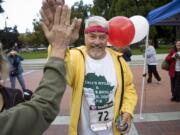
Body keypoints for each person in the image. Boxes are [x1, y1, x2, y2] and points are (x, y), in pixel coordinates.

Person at [41, 3, 137, 135]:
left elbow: (128, 89)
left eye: (102, 37)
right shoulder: (75, 57)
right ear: (84, 36)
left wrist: (127, 112)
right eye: (92, 36)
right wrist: (59, 44)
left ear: (107, 38)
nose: (97, 42)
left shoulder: (120, 62)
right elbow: (59, 70)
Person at [0, 4, 73, 133]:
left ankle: (26, 92)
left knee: (20, 87)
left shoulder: (13, 96)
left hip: (18, 75)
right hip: (14, 75)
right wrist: (58, 47)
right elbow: (42, 107)